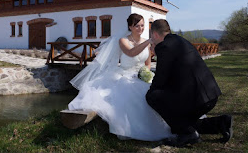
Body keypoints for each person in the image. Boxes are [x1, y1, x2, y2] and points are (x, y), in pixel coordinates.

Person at [68, 13, 174, 141]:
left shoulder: (146, 41)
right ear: (130, 27)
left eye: (142, 26)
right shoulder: (123, 41)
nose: (140, 29)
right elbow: (130, 52)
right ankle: (134, 129)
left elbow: (147, 63)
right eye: (137, 26)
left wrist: (145, 73)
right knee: (135, 96)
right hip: (124, 75)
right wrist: (148, 41)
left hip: (140, 75)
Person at [146, 19, 233, 147]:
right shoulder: (180, 40)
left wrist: (151, 89)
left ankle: (188, 135)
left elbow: (160, 80)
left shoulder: (164, 47)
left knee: (152, 96)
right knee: (182, 123)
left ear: (154, 35)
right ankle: (222, 123)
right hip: (210, 95)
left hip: (196, 99)